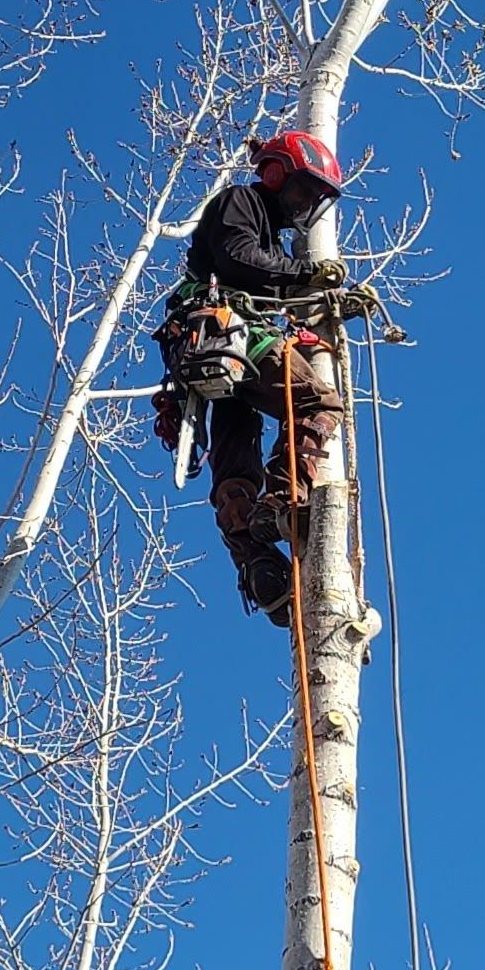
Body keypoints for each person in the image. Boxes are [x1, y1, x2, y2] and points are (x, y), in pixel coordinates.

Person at [162, 132, 345, 626]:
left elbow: (258, 271)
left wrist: (322, 300)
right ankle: (284, 500)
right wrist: (304, 275)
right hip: (226, 330)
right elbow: (239, 256)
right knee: (317, 403)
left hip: (216, 350)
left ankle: (260, 564)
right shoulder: (242, 201)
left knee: (235, 455)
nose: (306, 206)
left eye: (315, 199)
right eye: (303, 191)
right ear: (275, 174)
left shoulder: (267, 231)